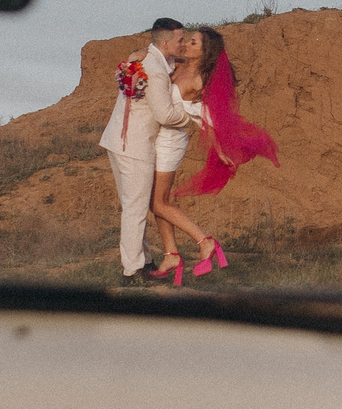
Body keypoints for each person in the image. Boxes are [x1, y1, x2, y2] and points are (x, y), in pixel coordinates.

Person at [149, 26, 278, 284]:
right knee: (156, 202)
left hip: (170, 143)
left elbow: (208, 118)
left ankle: (205, 241)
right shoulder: (177, 64)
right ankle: (171, 254)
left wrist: (221, 151)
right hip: (156, 138)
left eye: (193, 43)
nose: (186, 45)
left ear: (204, 53)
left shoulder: (199, 82)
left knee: (159, 203)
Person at [98, 17, 197, 277]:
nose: (183, 43)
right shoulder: (152, 67)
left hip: (119, 140)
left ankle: (143, 261)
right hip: (134, 145)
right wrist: (192, 117)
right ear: (165, 42)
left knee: (135, 205)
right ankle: (132, 271)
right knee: (136, 208)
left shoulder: (152, 59)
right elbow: (164, 115)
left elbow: (169, 61)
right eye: (180, 39)